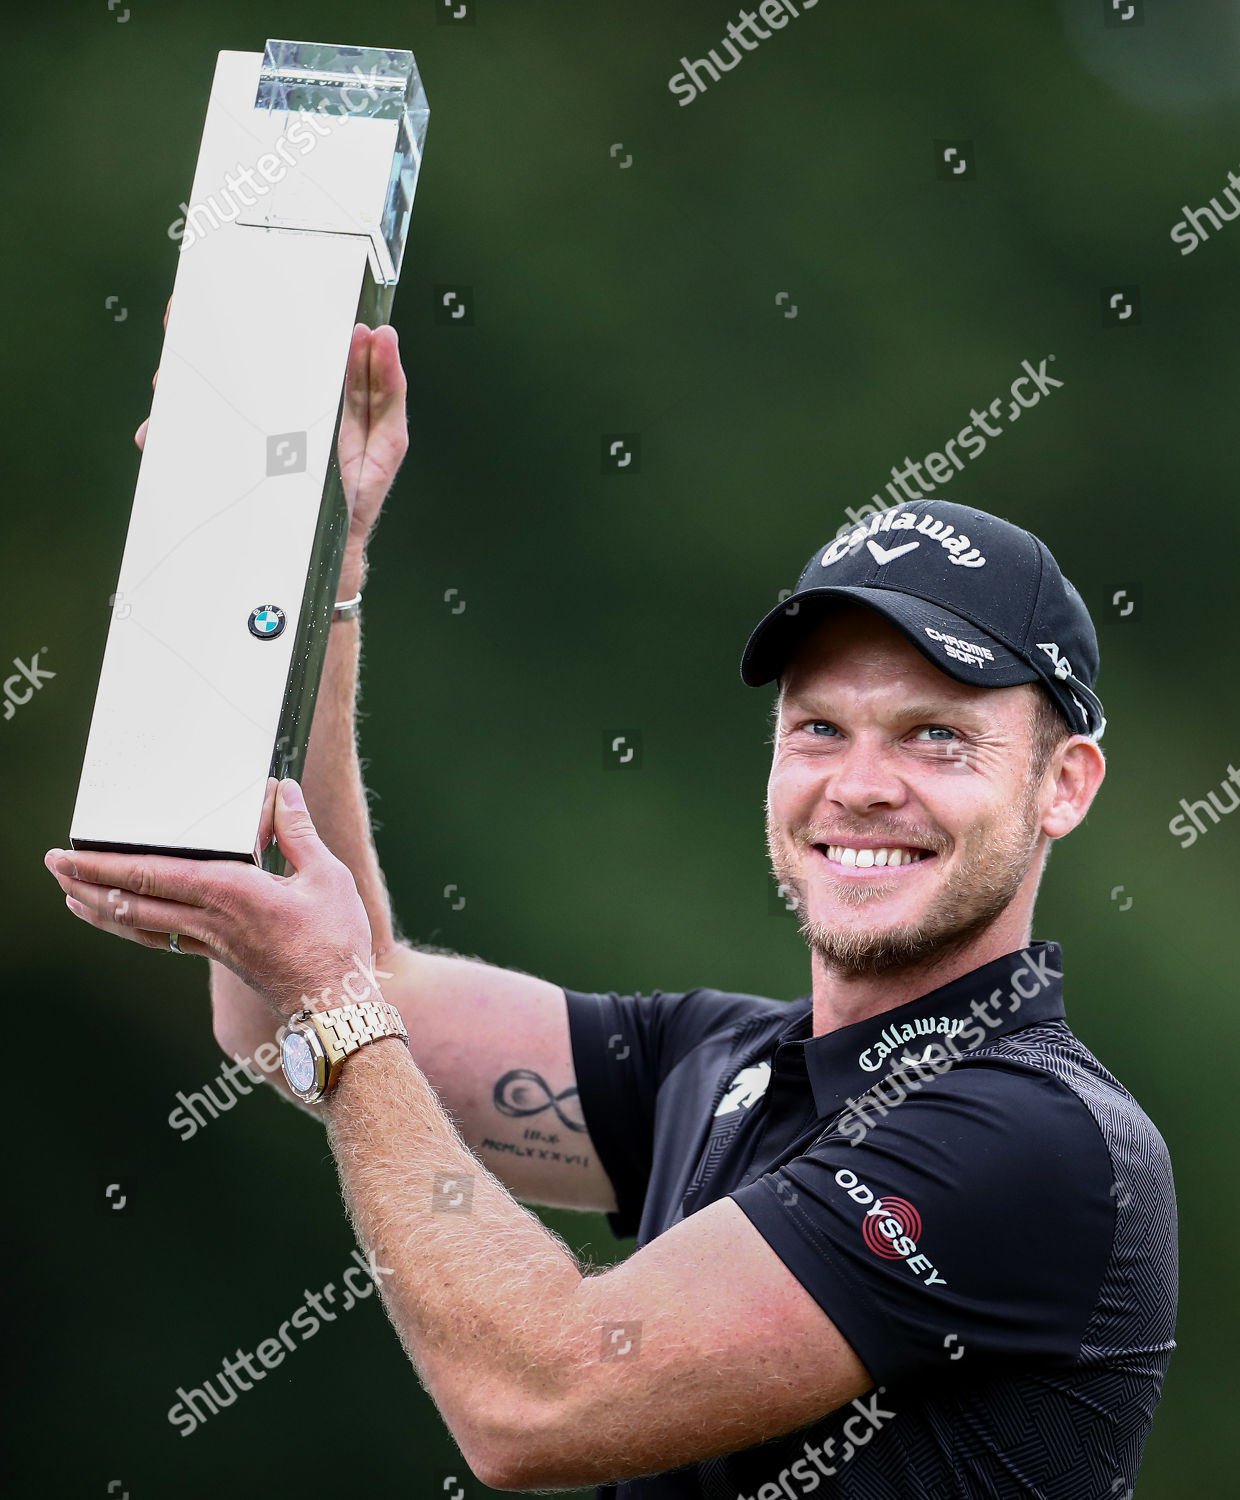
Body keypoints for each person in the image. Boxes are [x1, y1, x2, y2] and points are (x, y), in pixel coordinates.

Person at [46, 328, 1176, 1496]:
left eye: (937, 735)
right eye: (820, 728)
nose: (863, 784)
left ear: (1064, 786)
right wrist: (309, 569)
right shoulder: (722, 1064)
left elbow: (537, 1400)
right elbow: (306, 1006)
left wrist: (333, 1002)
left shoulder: (1037, 1140)